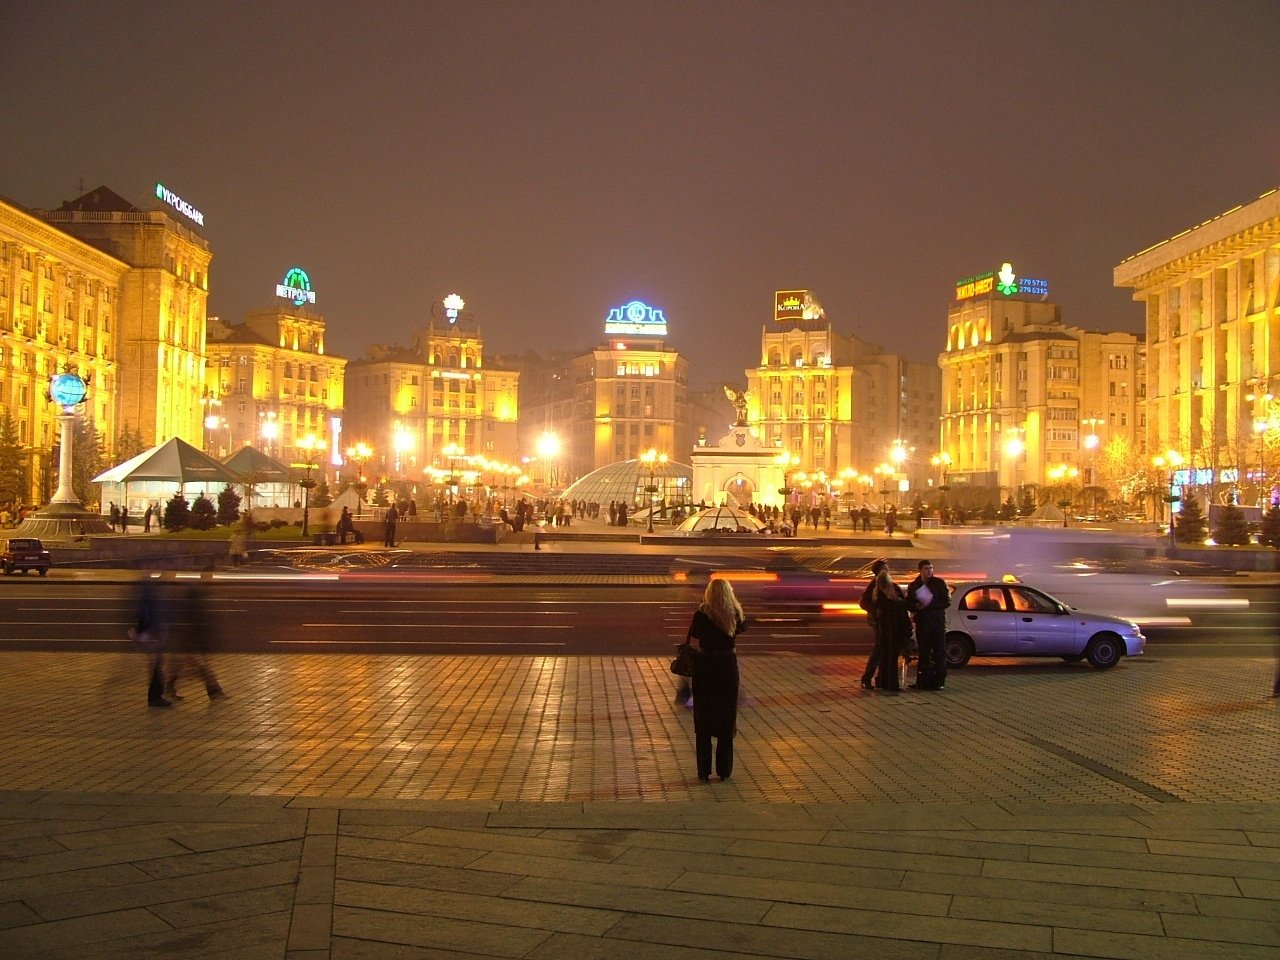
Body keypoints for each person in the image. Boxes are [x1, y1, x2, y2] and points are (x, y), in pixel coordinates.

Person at [686, 578, 746, 782]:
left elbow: (695, 634)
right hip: (727, 669)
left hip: (705, 668)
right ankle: (724, 770)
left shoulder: (703, 613)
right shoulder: (735, 613)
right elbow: (741, 628)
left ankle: (703, 770)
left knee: (703, 720)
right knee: (725, 719)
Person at [165, 582, 225, 701]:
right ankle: (214, 692)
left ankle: (168, 689)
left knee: (179, 668)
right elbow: (198, 628)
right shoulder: (195, 607)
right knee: (200, 668)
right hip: (188, 644)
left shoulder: (185, 606)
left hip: (184, 644)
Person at [908, 559, 951, 690]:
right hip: (922, 623)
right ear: (920, 570)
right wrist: (916, 606)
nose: (929, 571)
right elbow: (909, 602)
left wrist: (930, 604)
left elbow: (946, 601)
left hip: (937, 624)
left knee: (939, 653)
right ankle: (922, 681)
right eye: (926, 568)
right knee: (924, 654)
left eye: (931, 568)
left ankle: (939, 681)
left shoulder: (939, 583)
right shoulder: (914, 585)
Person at [871, 562, 912, 691]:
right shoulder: (893, 598)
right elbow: (902, 610)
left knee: (885, 656)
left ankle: (883, 682)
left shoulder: (877, 593)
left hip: (883, 629)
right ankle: (892, 684)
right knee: (892, 657)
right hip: (894, 630)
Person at [133, 575, 170, 708]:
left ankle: (157, 694)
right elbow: (146, 613)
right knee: (156, 664)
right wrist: (143, 632)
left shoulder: (149, 590)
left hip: (154, 630)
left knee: (157, 663)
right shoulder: (149, 592)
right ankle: (155, 696)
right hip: (153, 632)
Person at [858, 559, 888, 689]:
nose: (888, 571)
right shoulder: (875, 583)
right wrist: (876, 611)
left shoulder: (883, 583)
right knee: (878, 650)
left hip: (882, 620)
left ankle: (879, 679)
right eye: (886, 569)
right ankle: (867, 678)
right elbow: (863, 602)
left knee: (882, 650)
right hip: (877, 621)